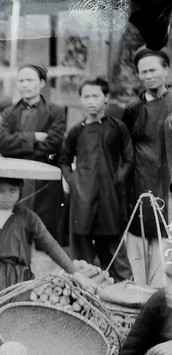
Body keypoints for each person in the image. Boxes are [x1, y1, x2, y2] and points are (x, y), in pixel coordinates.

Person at [0, 176, 89, 311]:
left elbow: (51, 246)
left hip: (20, 276)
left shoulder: (28, 217)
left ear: (20, 191)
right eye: (0, 191)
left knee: (19, 311)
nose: (7, 196)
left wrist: (74, 272)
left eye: (12, 191)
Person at [59, 77, 134, 282]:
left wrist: (116, 179)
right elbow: (64, 160)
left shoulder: (118, 128)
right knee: (81, 261)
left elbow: (129, 159)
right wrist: (73, 180)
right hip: (81, 200)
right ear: (81, 100)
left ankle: (124, 297)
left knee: (115, 254)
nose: (91, 100)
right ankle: (85, 298)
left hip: (109, 201)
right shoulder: (76, 130)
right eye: (86, 96)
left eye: (95, 95)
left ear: (106, 98)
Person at [0, 64, 67, 244]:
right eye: (21, 80)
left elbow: (53, 144)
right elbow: (2, 143)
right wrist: (32, 137)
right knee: (16, 234)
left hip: (44, 181)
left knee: (45, 238)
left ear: (42, 83)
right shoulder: (10, 113)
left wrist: (18, 148)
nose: (25, 85)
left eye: (30, 80)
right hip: (18, 179)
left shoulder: (55, 111)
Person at [122, 47, 172, 287]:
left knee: (164, 259)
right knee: (136, 253)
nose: (148, 76)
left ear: (166, 70)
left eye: (153, 70)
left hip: (168, 189)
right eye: (143, 72)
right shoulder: (132, 109)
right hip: (140, 186)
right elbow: (124, 150)